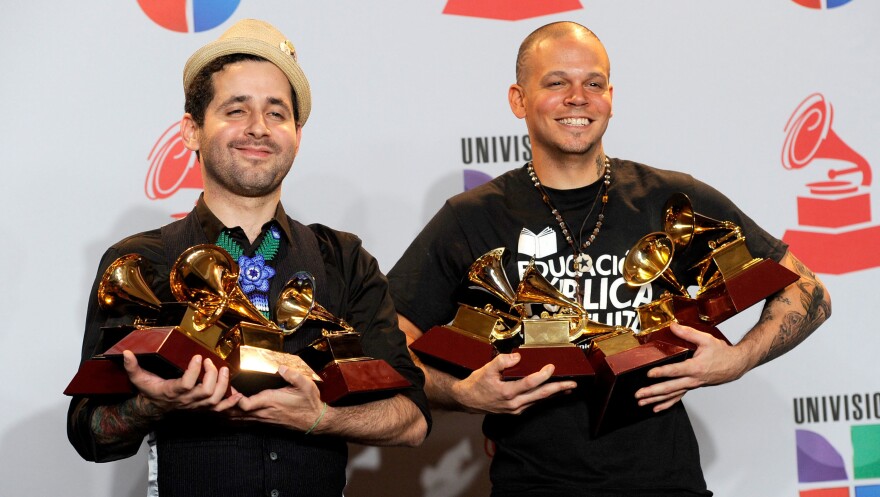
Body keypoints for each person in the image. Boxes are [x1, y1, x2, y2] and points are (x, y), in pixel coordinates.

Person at [388, 21, 830, 497]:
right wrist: (461, 392)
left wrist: (738, 359)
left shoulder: (669, 197)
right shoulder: (470, 216)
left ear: (610, 97)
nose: (578, 97)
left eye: (593, 83)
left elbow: (809, 291)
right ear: (518, 99)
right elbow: (392, 341)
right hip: (531, 485)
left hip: (666, 485)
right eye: (556, 82)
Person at [67, 19, 429, 497]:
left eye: (277, 113)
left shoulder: (344, 259)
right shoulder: (139, 262)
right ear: (191, 131)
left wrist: (320, 416)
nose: (259, 128)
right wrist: (154, 406)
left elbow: (412, 421)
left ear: (297, 134)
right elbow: (90, 433)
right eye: (236, 110)